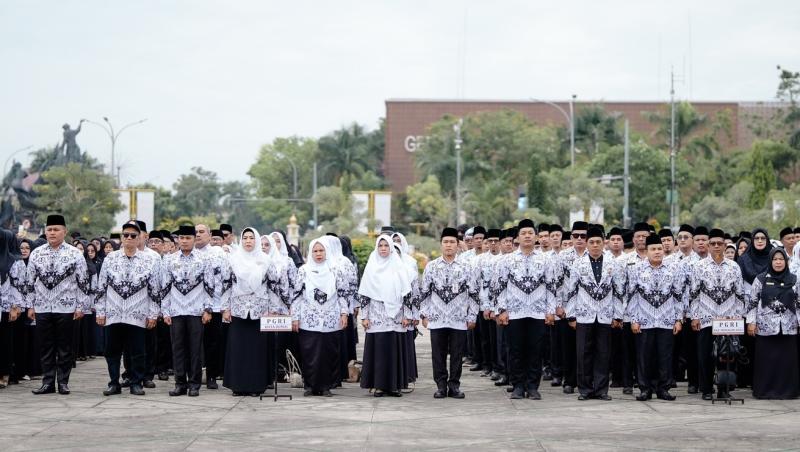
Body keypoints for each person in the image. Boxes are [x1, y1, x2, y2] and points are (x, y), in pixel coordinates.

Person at [26, 214, 93, 395]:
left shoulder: (75, 254)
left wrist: (81, 307)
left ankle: (63, 382)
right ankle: (48, 382)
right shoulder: (36, 253)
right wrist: (30, 306)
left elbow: (83, 283)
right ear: (45, 232)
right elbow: (29, 282)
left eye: (56, 230)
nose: (52, 233)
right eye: (49, 230)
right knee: (46, 346)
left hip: (67, 307)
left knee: (65, 346)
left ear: (64, 232)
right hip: (42, 306)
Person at [95, 222, 162, 396]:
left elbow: (154, 290)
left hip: (138, 314)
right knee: (112, 351)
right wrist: (100, 311)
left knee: (138, 351)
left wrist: (153, 314)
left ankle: (136, 383)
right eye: (126, 235)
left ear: (140, 238)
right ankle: (113, 383)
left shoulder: (149, 260)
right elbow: (101, 286)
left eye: (133, 235)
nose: (129, 238)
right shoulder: (111, 258)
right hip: (113, 313)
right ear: (121, 238)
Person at [493, 219, 555, 400]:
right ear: (517, 238)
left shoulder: (545, 260)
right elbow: (499, 287)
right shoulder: (507, 260)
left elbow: (551, 287)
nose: (527, 236)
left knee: (536, 351)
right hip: (514, 313)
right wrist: (501, 310)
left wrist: (550, 310)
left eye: (530, 233)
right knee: (515, 350)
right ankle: (518, 385)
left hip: (537, 312)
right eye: (523, 233)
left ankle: (533, 386)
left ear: (536, 237)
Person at [221, 227, 282, 396]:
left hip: (259, 310)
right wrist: (225, 308)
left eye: (251, 238)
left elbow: (273, 286)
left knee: (257, 351)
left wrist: (274, 309)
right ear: (241, 240)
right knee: (238, 349)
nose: (248, 241)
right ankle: (238, 386)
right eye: (245, 238)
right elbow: (226, 284)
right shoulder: (233, 259)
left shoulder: (265, 260)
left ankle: (256, 386)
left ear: (256, 240)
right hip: (238, 309)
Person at [419, 227, 479, 399]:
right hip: (437, 318)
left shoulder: (466, 267)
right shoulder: (432, 266)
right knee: (437, 354)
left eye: (452, 242)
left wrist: (472, 315)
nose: (449, 245)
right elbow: (425, 293)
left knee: (457, 354)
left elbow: (474, 294)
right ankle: (440, 385)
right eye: (445, 242)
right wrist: (424, 314)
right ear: (441, 245)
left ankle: (454, 386)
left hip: (458, 318)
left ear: (458, 245)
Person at [565, 227, 623, 401]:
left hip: (605, 314)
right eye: (592, 242)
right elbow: (571, 291)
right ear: (587, 244)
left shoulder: (613, 263)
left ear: (604, 243)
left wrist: (618, 315)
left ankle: (601, 389)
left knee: (603, 353)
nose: (595, 245)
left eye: (598, 242)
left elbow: (619, 291)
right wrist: (571, 315)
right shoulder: (578, 263)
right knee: (584, 353)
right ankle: (585, 389)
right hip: (584, 314)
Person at [690, 228, 746, 400]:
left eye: (719, 243)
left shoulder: (734, 266)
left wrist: (738, 316)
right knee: (705, 355)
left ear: (724, 245)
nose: (716, 246)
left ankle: (724, 388)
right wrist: (694, 316)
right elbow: (693, 294)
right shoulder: (698, 266)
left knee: (727, 355)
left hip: (728, 318)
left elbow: (740, 294)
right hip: (706, 317)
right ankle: (706, 389)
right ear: (708, 245)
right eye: (712, 243)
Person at [626, 234, 683, 401]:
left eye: (659, 249)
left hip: (666, 320)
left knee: (665, 356)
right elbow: (631, 296)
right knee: (644, 356)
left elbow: (679, 296)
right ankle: (645, 389)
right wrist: (634, 319)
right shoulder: (637, 269)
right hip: (644, 320)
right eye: (653, 249)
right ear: (647, 251)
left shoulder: (673, 269)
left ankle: (663, 388)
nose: (657, 252)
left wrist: (678, 319)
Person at [161, 225, 215, 397]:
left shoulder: (204, 259)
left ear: (194, 239)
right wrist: (165, 311)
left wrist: (208, 309)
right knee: (178, 348)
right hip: (176, 310)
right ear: (177, 239)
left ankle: (194, 384)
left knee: (195, 349)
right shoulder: (169, 260)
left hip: (196, 310)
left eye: (188, 238)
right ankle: (180, 383)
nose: (184, 241)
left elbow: (210, 286)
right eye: (181, 238)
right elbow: (165, 287)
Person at [291, 238, 350, 397]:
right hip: (308, 318)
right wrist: (295, 317)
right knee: (309, 352)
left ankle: (326, 386)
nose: (318, 254)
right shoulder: (304, 270)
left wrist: (344, 313)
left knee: (329, 352)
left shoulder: (336, 270)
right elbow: (296, 295)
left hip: (331, 317)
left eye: (321, 250)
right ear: (311, 253)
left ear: (327, 252)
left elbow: (344, 294)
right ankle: (310, 385)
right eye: (315, 251)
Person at [358, 235, 412, 397]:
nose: (383, 248)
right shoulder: (371, 267)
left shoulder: (398, 267)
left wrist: (407, 315)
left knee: (394, 349)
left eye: (386, 245)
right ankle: (379, 385)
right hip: (376, 315)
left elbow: (407, 294)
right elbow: (364, 295)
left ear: (390, 248)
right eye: (380, 245)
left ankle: (394, 386)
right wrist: (364, 317)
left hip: (396, 316)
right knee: (379, 350)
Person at [746, 248, 800, 399]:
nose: (778, 262)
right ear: (770, 261)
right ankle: (764, 391)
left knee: (786, 362)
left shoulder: (794, 279)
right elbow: (752, 302)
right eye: (775, 259)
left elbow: (799, 303)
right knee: (767, 362)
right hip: (766, 328)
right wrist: (751, 322)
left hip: (788, 327)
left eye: (781, 259)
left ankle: (788, 392)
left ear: (786, 261)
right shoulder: (761, 279)